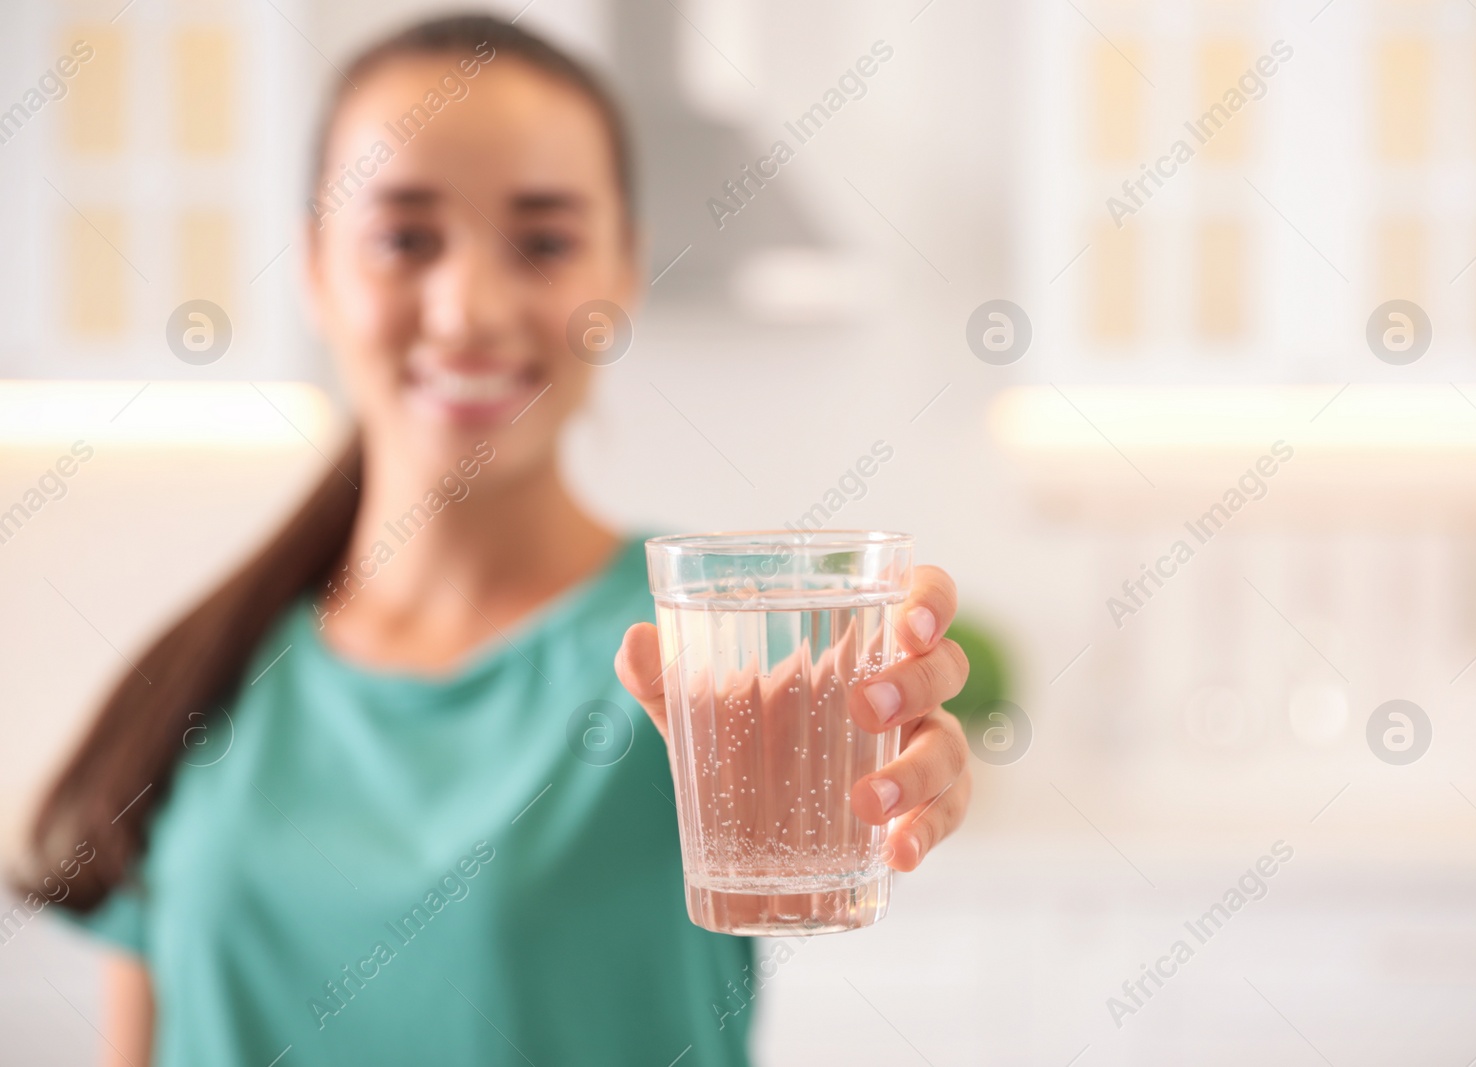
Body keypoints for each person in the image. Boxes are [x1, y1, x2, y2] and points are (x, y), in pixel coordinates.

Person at [19, 14, 973, 1067]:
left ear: (620, 272)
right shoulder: (208, 674)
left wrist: (886, 737)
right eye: (404, 237)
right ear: (313, 268)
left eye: (543, 241)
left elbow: (824, 766)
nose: (468, 307)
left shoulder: (690, 667)